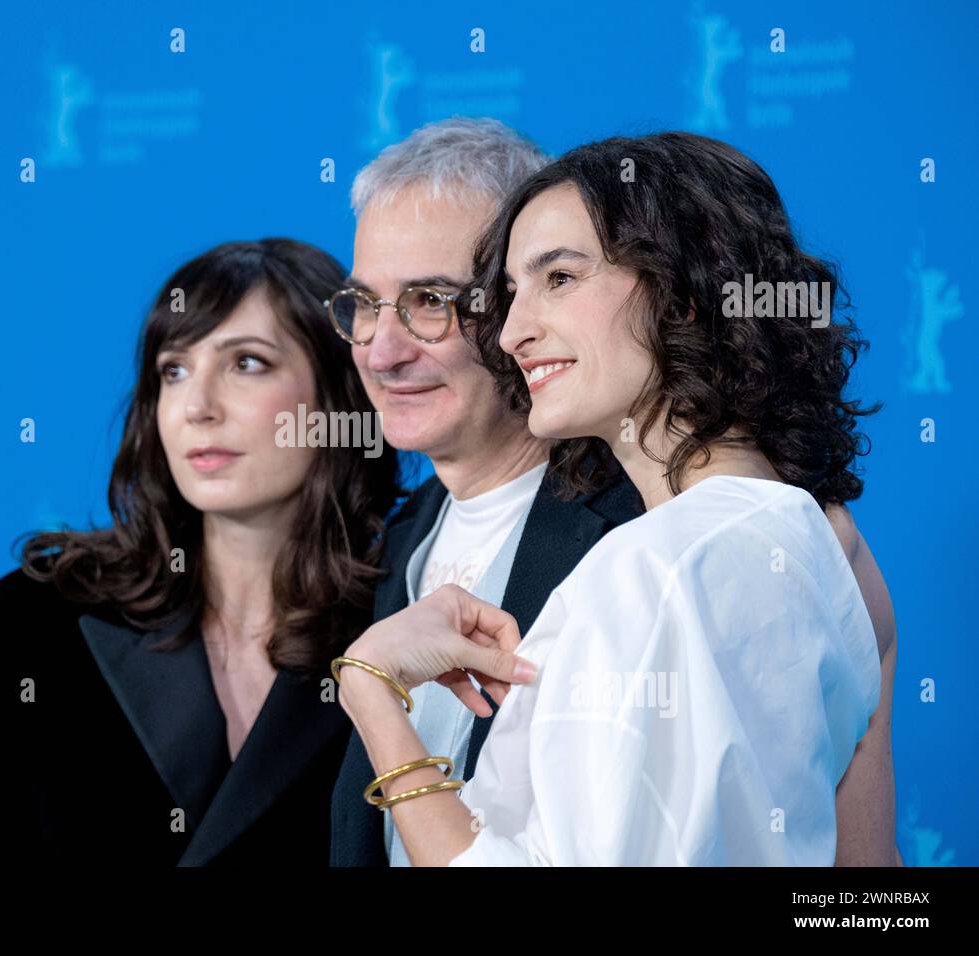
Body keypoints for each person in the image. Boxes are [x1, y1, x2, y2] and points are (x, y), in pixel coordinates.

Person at [331, 132, 899, 865]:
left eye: (559, 278)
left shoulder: (653, 559)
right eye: (508, 292)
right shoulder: (807, 542)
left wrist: (373, 695)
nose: (510, 333)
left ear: (685, 289)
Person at [0, 238, 401, 867]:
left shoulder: (396, 624)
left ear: (339, 396)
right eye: (173, 371)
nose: (198, 407)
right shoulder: (35, 622)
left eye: (247, 363)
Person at [327, 118, 648, 867]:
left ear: (519, 306)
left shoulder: (642, 529)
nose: (381, 348)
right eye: (364, 303)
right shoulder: (391, 542)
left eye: (431, 301)